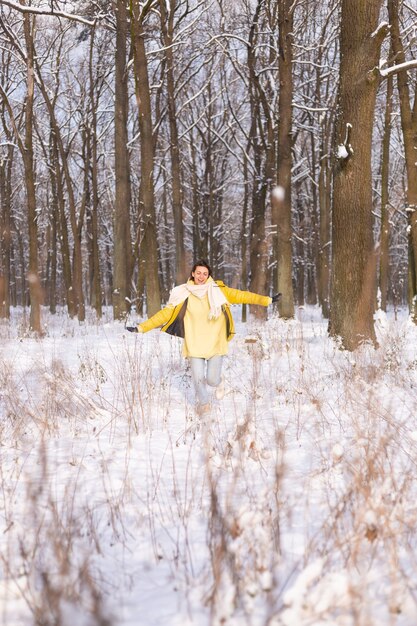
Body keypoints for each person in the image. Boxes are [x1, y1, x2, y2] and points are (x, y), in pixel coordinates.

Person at [127, 260, 280, 414]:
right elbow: (163, 314)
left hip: (215, 343)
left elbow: (243, 296)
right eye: (198, 273)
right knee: (198, 379)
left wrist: (267, 300)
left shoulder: (218, 291)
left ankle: (220, 382)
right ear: (193, 274)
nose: (201, 276)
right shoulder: (182, 294)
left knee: (212, 380)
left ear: (209, 276)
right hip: (195, 344)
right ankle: (205, 406)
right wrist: (141, 328)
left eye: (205, 274)